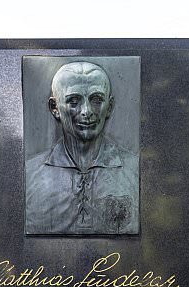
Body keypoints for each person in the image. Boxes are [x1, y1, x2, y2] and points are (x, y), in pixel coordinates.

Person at [25, 61, 139, 235]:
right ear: (54, 108)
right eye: (73, 101)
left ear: (109, 107)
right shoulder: (29, 175)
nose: (86, 111)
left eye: (96, 100)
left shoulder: (136, 171)